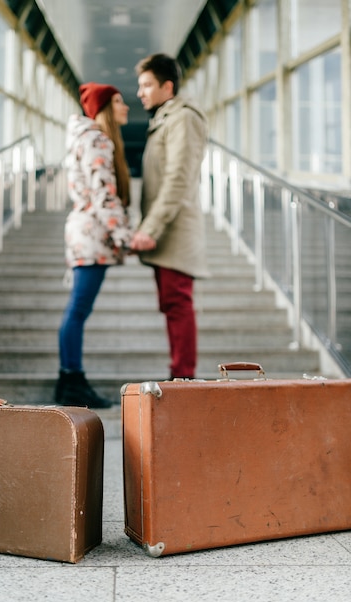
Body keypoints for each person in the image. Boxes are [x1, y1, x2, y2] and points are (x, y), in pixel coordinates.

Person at [130, 53, 209, 380]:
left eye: (147, 84)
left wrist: (151, 227)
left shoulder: (182, 119)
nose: (140, 92)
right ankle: (180, 376)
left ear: (168, 85)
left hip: (174, 231)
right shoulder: (166, 117)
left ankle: (183, 378)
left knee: (177, 305)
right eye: (140, 85)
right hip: (167, 232)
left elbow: (178, 177)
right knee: (172, 305)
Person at [56, 82, 133, 408]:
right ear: (103, 109)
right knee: (77, 310)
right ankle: (71, 380)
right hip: (91, 235)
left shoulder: (85, 138)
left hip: (84, 233)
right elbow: (103, 193)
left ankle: (70, 380)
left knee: (77, 310)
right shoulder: (97, 139)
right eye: (118, 101)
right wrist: (126, 236)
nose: (126, 106)